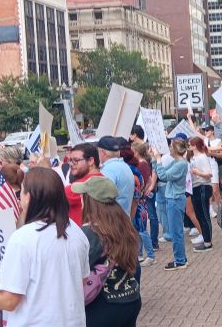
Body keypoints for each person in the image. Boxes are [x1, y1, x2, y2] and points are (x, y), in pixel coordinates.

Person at [0, 167, 90, 327]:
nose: (19, 198)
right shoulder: (77, 232)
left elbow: (8, 301)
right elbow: (81, 280)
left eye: (22, 192)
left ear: (29, 197)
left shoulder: (23, 238)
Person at [74, 177, 142, 326]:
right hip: (131, 298)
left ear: (90, 201)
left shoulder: (90, 232)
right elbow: (136, 267)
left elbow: (77, 272)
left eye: (83, 196)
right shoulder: (124, 225)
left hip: (102, 305)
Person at [151, 138, 190, 270]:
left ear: (176, 149)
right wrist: (154, 159)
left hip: (175, 199)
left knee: (176, 232)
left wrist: (158, 159)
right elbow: (161, 171)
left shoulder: (181, 164)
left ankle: (180, 260)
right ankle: (181, 258)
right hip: (174, 198)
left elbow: (164, 176)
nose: (169, 149)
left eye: (171, 147)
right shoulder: (177, 162)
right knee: (176, 231)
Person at [130, 140, 158, 264]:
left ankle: (150, 255)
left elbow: (144, 181)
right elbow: (149, 180)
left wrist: (142, 192)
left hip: (139, 200)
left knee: (141, 228)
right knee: (138, 228)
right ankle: (140, 253)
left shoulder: (141, 165)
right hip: (141, 198)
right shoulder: (143, 164)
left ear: (136, 152)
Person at [65, 143, 105, 225]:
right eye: (70, 160)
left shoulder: (74, 189)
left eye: (76, 160)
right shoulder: (105, 180)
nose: (71, 164)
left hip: (81, 231)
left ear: (90, 161)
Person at [96, 136, 136, 216]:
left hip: (112, 219)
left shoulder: (108, 169)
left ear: (103, 152)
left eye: (98, 151)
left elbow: (103, 198)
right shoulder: (125, 166)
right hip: (123, 217)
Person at [188, 136, 215, 251]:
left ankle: (208, 242)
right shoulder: (193, 158)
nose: (189, 146)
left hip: (203, 186)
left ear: (194, 146)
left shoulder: (202, 157)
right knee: (199, 215)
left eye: (190, 144)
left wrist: (197, 172)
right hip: (195, 187)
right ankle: (205, 239)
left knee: (204, 215)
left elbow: (209, 174)